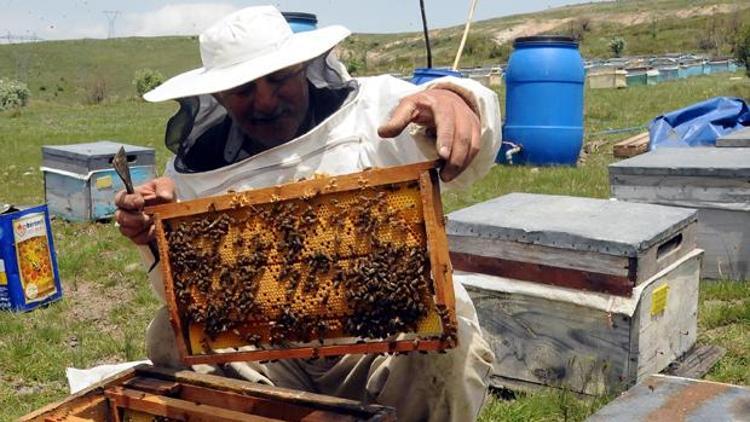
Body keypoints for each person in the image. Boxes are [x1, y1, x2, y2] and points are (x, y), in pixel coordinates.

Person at [115, 5, 500, 421]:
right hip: (271, 357)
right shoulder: (194, 174)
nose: (264, 100)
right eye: (243, 90)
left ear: (303, 68)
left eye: (278, 79)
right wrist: (155, 237)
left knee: (448, 345)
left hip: (387, 346)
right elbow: (196, 301)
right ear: (219, 97)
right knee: (168, 336)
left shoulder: (375, 110)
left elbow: (469, 137)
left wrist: (456, 100)